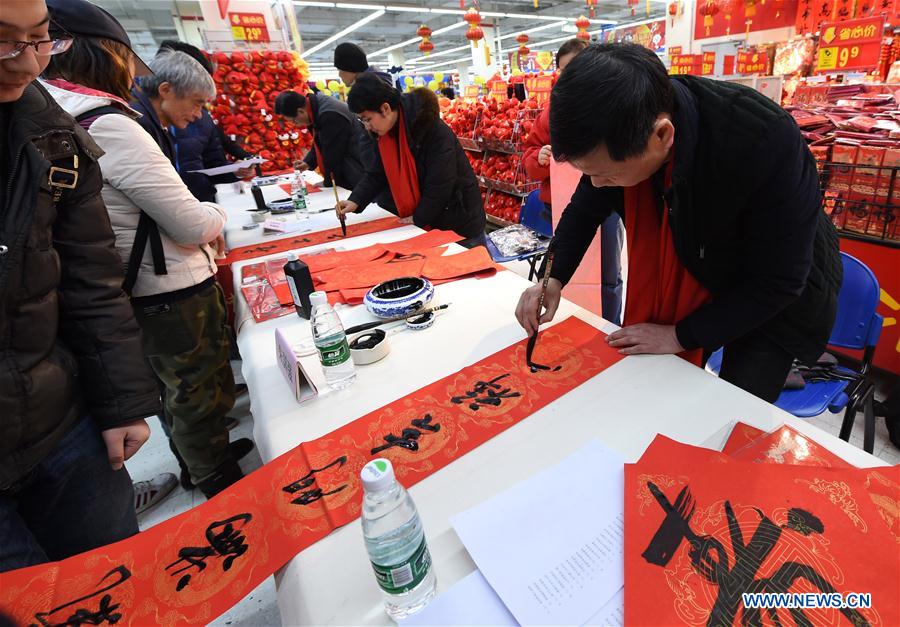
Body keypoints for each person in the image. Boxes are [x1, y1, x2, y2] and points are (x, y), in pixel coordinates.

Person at [515, 43, 842, 403]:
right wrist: (551, 278)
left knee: (734, 406)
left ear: (662, 136)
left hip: (773, 290)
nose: (596, 185)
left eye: (605, 174)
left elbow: (780, 281)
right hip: (702, 253)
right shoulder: (622, 129)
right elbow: (583, 209)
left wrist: (679, 335)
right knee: (658, 390)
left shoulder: (762, 141)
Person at [42, 5, 252, 498]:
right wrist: (217, 215)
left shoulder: (69, 113)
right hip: (167, 284)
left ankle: (204, 458)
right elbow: (189, 221)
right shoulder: (112, 124)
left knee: (185, 385)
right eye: (198, 106)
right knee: (193, 384)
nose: (199, 117)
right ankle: (214, 476)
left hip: (144, 281)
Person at [0, 0, 161, 571]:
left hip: (59, 422)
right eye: (4, 42)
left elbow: (91, 276)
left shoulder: (54, 133)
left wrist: (122, 403)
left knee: (112, 581)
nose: (24, 65)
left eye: (39, 41)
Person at [522, 39, 625, 326]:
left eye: (579, 67)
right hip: (560, 205)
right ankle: (579, 323)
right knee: (570, 265)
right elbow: (529, 158)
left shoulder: (612, 107)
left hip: (606, 205)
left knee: (607, 273)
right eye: (566, 71)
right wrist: (540, 158)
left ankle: (609, 323)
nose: (574, 77)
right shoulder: (551, 112)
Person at [338, 73, 486, 245]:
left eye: (368, 119)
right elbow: (377, 172)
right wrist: (355, 200)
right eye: (362, 120)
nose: (367, 126)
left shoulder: (433, 130)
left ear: (385, 108)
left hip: (458, 223)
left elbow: (440, 185)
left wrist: (417, 219)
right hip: (428, 220)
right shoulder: (385, 134)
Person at [156, 40, 254, 203]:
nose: (197, 113)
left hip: (200, 204)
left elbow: (212, 162)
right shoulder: (134, 120)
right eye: (196, 99)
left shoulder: (203, 119)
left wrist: (234, 172)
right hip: (169, 211)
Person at [274, 89, 366, 189]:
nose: (295, 124)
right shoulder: (314, 108)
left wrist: (329, 182)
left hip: (357, 163)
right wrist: (308, 163)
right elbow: (321, 141)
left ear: (300, 111)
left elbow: (332, 153)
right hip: (350, 158)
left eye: (294, 121)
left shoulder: (329, 114)